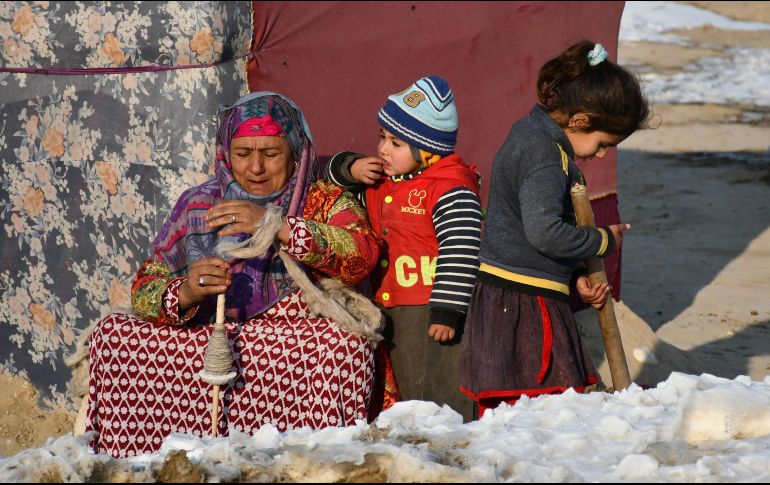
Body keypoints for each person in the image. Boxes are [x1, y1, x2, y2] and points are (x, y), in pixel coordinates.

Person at [84, 92, 395, 458]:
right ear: (225, 155)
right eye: (243, 153)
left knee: (346, 348)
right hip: (205, 339)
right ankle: (149, 462)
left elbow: (362, 255)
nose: (256, 168)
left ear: (296, 152)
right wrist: (186, 291)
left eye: (271, 153)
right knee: (113, 334)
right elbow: (145, 288)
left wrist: (275, 225)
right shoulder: (199, 204)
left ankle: (311, 466)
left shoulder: (321, 201)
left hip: (293, 344)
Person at [459, 41, 651, 417]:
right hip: (525, 303)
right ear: (580, 120)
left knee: (512, 412)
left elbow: (533, 230)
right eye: (603, 144)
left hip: (509, 293)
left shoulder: (531, 133)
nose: (600, 155)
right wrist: (602, 240)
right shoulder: (546, 155)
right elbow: (545, 232)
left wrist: (576, 274)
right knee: (539, 409)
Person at [324, 76, 482, 421]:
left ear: (429, 149)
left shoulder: (450, 189)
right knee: (405, 386)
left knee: (438, 386)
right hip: (391, 304)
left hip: (430, 307)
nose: (383, 149)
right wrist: (351, 167)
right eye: (383, 137)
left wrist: (448, 310)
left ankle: (449, 449)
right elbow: (325, 176)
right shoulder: (386, 179)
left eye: (396, 143)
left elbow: (462, 248)